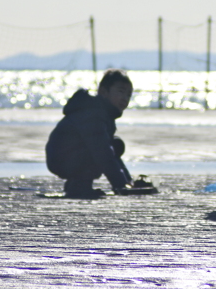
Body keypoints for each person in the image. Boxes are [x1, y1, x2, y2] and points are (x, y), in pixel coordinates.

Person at [45, 69, 155, 199]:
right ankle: (79, 185)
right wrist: (120, 185)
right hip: (61, 159)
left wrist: (127, 182)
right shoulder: (93, 114)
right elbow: (103, 152)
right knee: (103, 149)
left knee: (115, 145)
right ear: (103, 92)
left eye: (128, 95)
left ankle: (79, 183)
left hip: (69, 155)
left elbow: (111, 153)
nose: (125, 98)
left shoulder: (104, 114)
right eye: (120, 92)